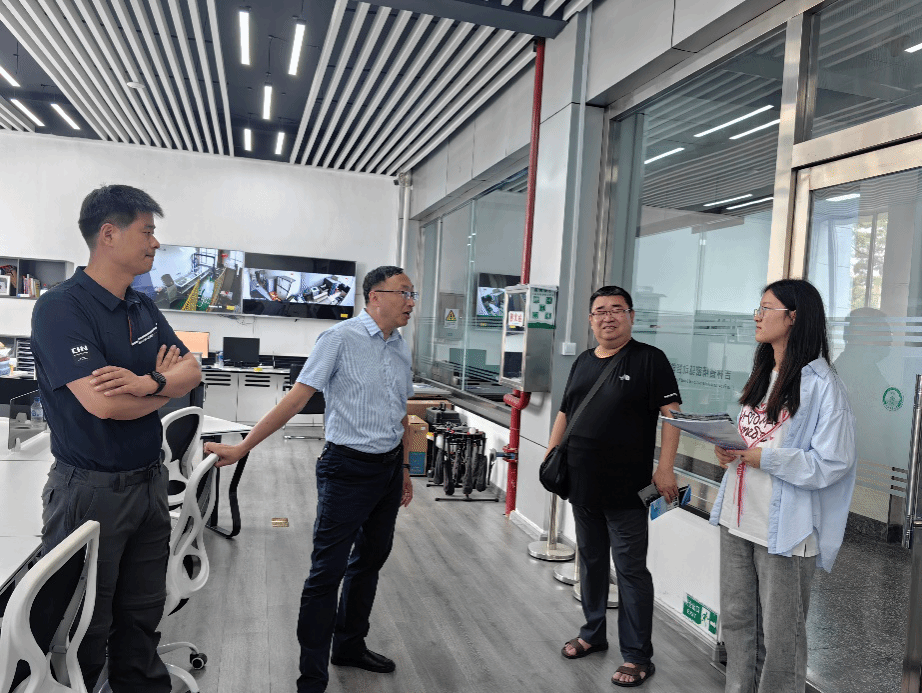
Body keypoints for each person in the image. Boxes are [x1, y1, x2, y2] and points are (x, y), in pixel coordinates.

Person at [205, 265, 417, 693]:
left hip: (388, 468)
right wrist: (243, 447)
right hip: (347, 470)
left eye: (413, 294)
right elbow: (295, 399)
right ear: (375, 296)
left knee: (370, 562)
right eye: (404, 293)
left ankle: (349, 645)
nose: (411, 302)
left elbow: (400, 411)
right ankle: (312, 677)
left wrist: (406, 468)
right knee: (327, 573)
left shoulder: (400, 346)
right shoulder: (338, 339)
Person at [31, 185, 202, 692]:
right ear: (109, 234)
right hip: (91, 493)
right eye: (147, 231)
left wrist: (148, 384)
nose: (155, 243)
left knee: (143, 616)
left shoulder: (141, 306)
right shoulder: (62, 308)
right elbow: (104, 405)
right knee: (85, 625)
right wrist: (165, 388)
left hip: (149, 485)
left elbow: (192, 370)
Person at [711, 279, 856, 693]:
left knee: (782, 639)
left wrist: (766, 459)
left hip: (787, 531)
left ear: (793, 317)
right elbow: (754, 439)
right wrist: (731, 450)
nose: (757, 317)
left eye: (766, 308)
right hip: (739, 518)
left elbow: (832, 463)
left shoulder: (824, 385)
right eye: (757, 308)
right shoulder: (763, 374)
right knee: (737, 623)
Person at [551, 285, 682, 688]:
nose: (608, 317)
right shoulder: (583, 361)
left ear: (631, 316)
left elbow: (672, 416)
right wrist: (551, 456)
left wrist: (665, 468)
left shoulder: (649, 359)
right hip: (581, 483)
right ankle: (592, 633)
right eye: (600, 311)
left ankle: (637, 656)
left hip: (627, 488)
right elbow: (566, 411)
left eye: (616, 309)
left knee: (630, 570)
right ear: (590, 319)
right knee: (590, 562)